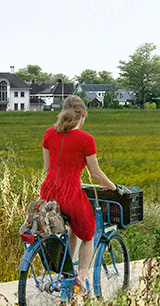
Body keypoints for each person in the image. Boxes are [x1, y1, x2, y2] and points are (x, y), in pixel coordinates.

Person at [39, 95, 118, 293]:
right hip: (70, 194)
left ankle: (66, 274)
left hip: (48, 191)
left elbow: (48, 168)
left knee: (69, 229)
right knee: (88, 234)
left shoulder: (49, 133)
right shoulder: (86, 139)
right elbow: (96, 174)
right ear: (83, 114)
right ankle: (81, 278)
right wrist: (113, 187)